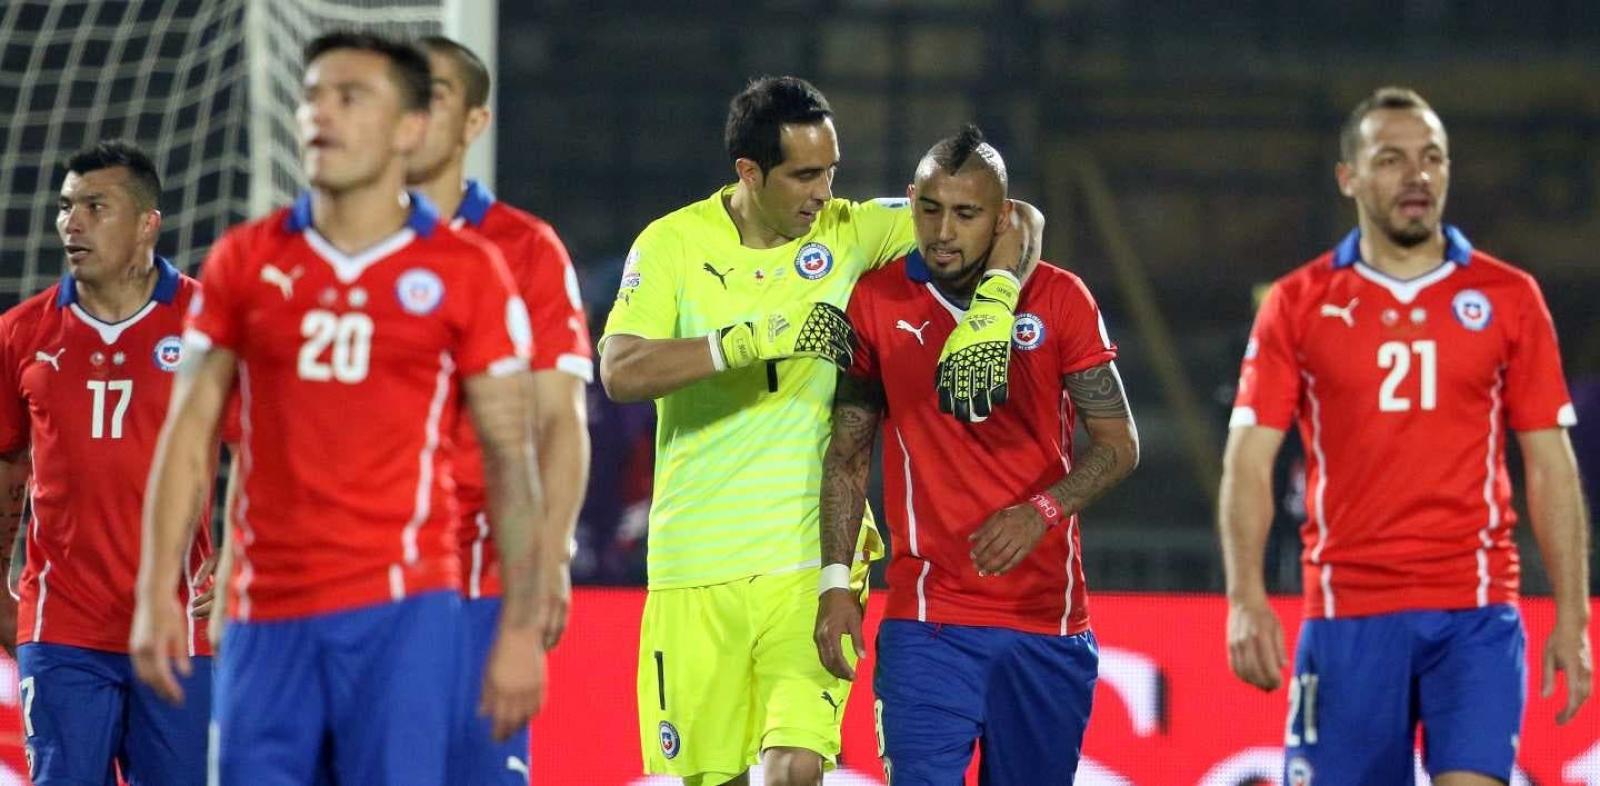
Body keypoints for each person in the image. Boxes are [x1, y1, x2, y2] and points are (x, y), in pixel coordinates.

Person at [128, 32, 547, 786]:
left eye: (350, 97)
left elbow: (511, 458)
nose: (321, 113)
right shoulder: (245, 258)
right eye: (312, 95)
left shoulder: (468, 270)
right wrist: (157, 588)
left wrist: (520, 625)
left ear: (409, 128)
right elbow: (187, 437)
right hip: (262, 613)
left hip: (403, 609)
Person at [599, 77, 1041, 786]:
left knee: (795, 767)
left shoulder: (851, 229)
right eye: (804, 175)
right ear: (749, 172)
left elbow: (1016, 217)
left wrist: (994, 304)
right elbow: (620, 369)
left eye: (830, 170)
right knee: (714, 778)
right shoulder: (671, 244)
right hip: (693, 559)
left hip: (806, 557)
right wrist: (747, 340)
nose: (822, 192)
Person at [1220, 86, 1592, 786]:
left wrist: (1572, 616)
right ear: (1349, 177)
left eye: (1432, 158)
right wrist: (1245, 598)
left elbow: (1550, 463)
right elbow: (1248, 462)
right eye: (1391, 159)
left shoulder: (1510, 297)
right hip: (1348, 608)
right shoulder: (1299, 303)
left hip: (1476, 609)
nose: (1416, 175)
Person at [813, 125, 1139, 785]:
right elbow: (847, 454)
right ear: (911, 203)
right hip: (927, 621)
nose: (943, 232)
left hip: (1046, 623)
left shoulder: (1060, 298)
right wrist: (835, 583)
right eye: (930, 210)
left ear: (1002, 218)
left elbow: (1120, 444)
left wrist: (1041, 511)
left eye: (966, 214)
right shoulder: (877, 300)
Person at [0, 140, 217, 786]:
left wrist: (246, 558)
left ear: (148, 223)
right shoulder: (21, 332)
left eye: (96, 207)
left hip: (178, 626)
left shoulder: (211, 326)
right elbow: (7, 461)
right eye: (66, 206)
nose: (72, 222)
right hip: (61, 625)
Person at [406, 34, 593, 783]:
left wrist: (551, 557)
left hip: (478, 585)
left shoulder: (525, 249)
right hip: (353, 585)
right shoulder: (326, 250)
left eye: (434, 94)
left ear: (475, 121)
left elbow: (560, 420)